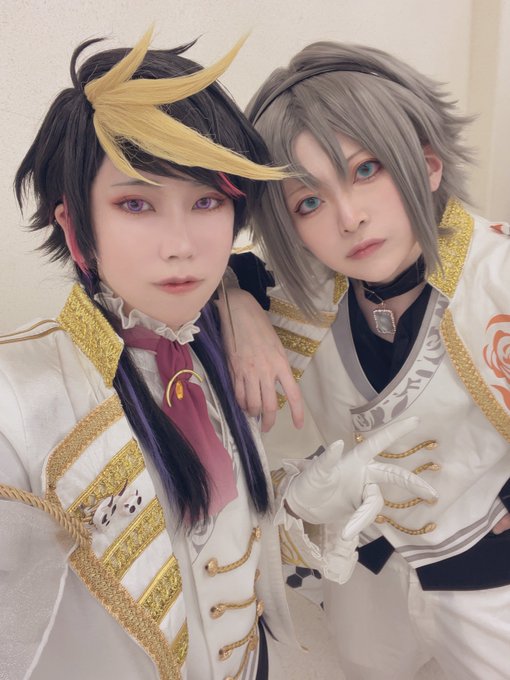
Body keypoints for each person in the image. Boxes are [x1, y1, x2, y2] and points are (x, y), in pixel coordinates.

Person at [0, 29, 434, 680]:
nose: (181, 244)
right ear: (74, 227)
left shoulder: (221, 352)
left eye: (206, 201)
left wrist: (301, 507)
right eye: (136, 203)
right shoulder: (17, 398)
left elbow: (219, 553)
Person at [223, 41, 510, 680]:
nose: (349, 217)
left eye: (367, 169)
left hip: (488, 568)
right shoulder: (302, 293)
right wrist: (236, 305)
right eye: (308, 202)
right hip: (362, 571)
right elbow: (203, 268)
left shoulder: (498, 271)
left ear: (426, 164)